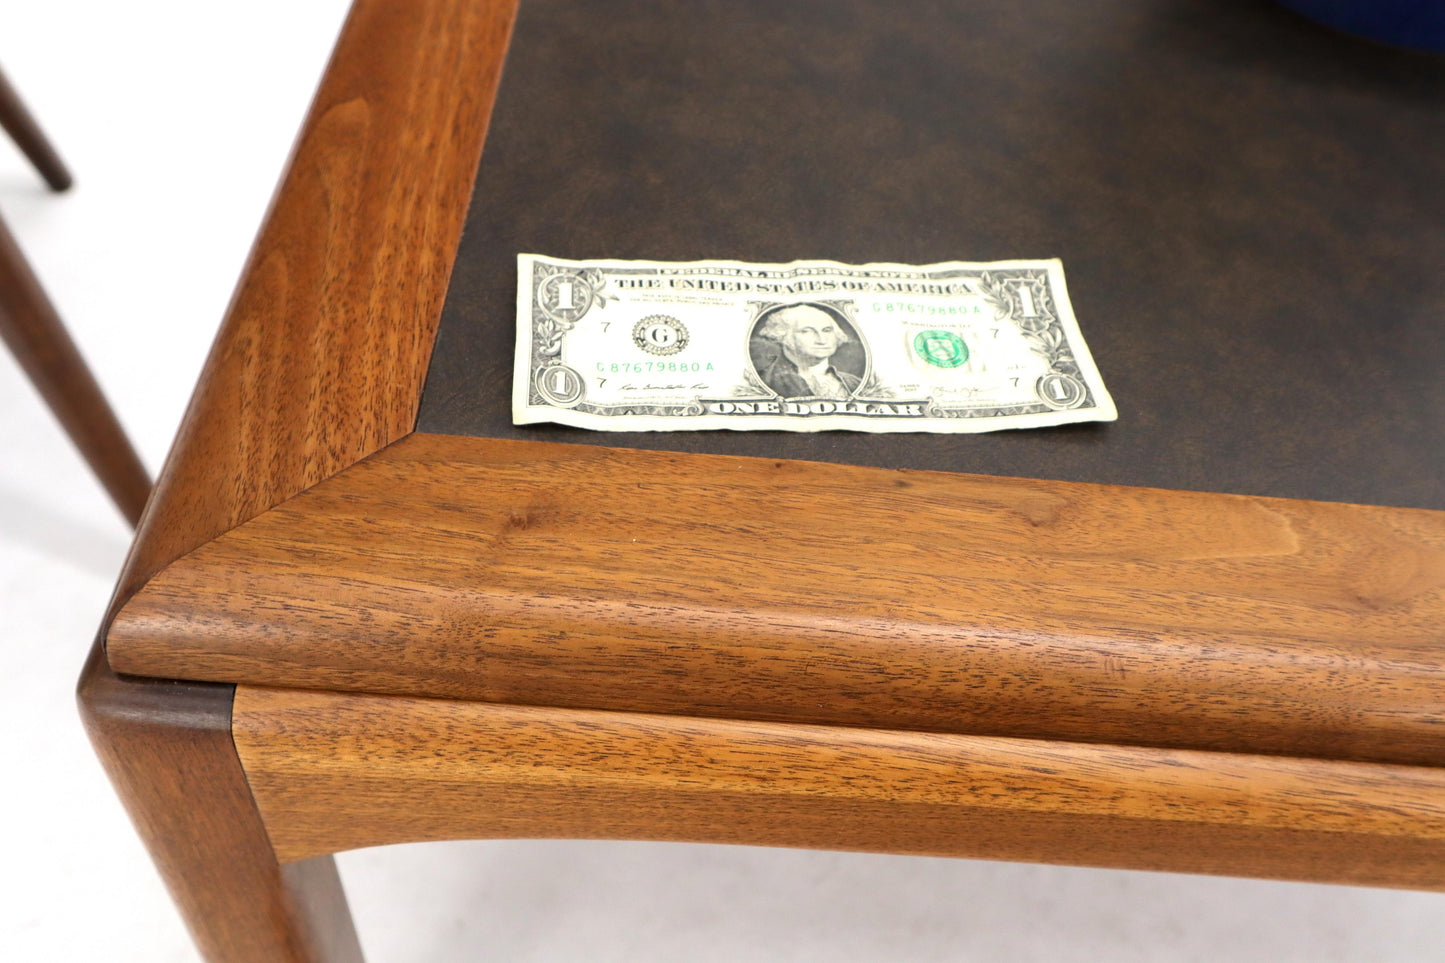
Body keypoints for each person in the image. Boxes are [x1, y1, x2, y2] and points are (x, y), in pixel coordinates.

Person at [754, 303, 862, 399]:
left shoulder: (854, 383)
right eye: (807, 331)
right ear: (782, 336)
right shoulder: (765, 381)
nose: (822, 340)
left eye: (827, 330)